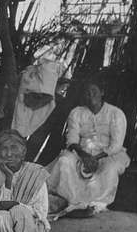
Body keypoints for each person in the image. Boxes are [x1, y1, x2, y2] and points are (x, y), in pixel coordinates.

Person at [47, 78, 130, 215]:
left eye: (94, 91)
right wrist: (85, 156)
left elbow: (116, 145)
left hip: (108, 154)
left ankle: (95, 205)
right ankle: (73, 201)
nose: (90, 95)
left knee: (110, 169)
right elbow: (72, 140)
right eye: (87, 93)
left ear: (102, 92)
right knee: (64, 161)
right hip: (82, 153)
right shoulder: (77, 113)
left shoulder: (116, 114)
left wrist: (96, 158)